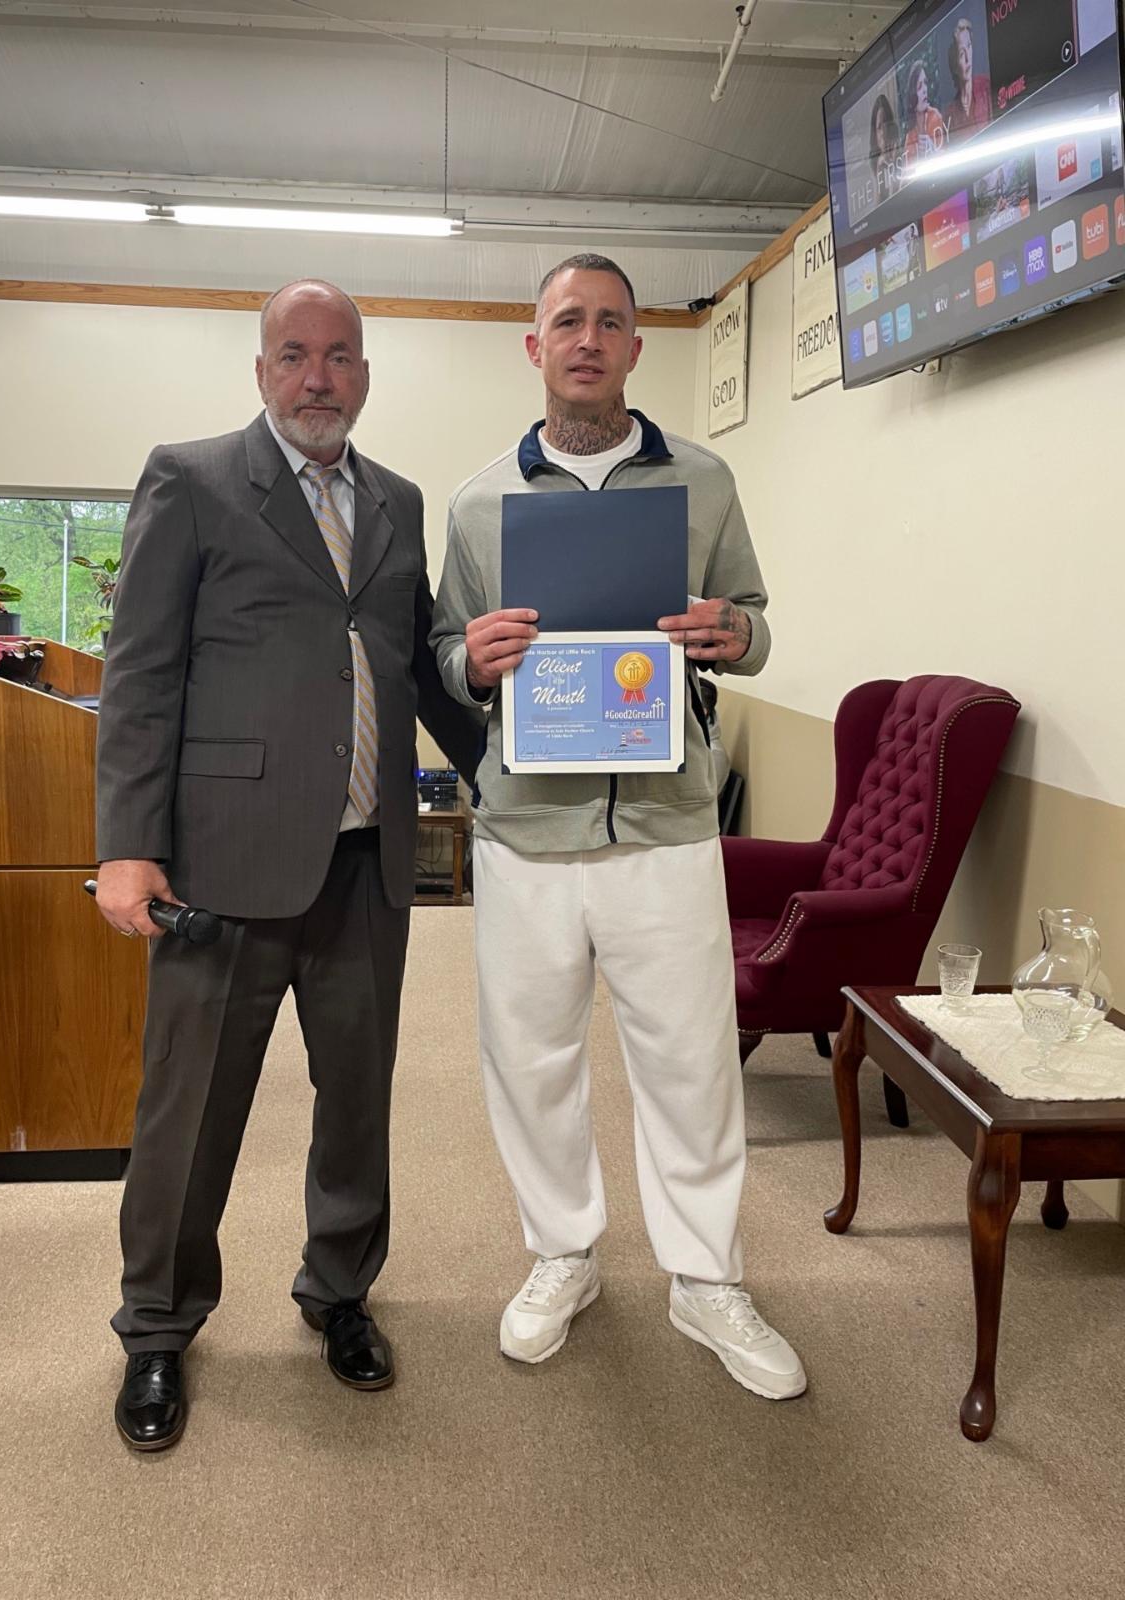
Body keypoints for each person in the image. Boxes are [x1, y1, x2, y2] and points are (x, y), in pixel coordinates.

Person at [95, 279, 482, 1450]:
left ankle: (340, 1290)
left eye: (341, 356)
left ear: (365, 373)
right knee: (190, 1110)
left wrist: (512, 762)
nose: (320, 376)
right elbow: (141, 672)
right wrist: (127, 845)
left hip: (367, 864)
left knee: (357, 1101)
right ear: (262, 369)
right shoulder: (194, 479)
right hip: (222, 866)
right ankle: (159, 1324)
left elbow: (411, 657)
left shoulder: (398, 500)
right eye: (296, 354)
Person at [430, 254, 806, 1402]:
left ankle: (706, 1277)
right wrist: (469, 659)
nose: (587, 339)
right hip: (526, 836)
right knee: (531, 1060)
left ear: (638, 346)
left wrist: (734, 636)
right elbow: (445, 652)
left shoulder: (704, 480)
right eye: (567, 321)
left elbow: (754, 624)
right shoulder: (480, 502)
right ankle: (564, 1254)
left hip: (665, 825)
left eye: (609, 322)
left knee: (691, 1063)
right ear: (534, 346)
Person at [944, 18, 991, 143]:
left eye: (969, 46)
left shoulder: (987, 88)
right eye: (961, 54)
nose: (967, 58)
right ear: (955, 66)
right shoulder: (949, 116)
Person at [902, 59, 946, 167]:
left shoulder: (935, 116)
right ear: (912, 94)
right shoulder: (909, 137)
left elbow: (948, 155)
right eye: (919, 87)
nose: (925, 90)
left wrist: (933, 151)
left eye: (925, 83)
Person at [869, 92, 902, 201]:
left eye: (886, 124)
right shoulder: (874, 167)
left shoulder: (902, 154)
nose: (883, 132)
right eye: (879, 127)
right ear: (875, 135)